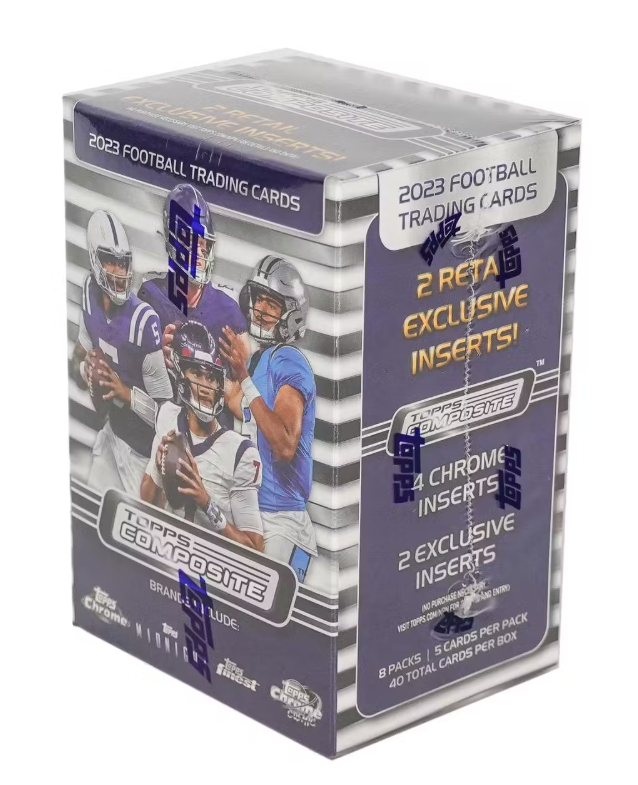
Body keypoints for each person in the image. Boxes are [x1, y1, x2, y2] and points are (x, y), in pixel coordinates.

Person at [220, 255, 317, 581]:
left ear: (291, 314)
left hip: (282, 521)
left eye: (272, 303)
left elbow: (285, 444)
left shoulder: (289, 360)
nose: (260, 309)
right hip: (253, 512)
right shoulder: (259, 361)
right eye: (258, 299)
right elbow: (237, 404)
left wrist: (243, 377)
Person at [70, 209, 172, 494]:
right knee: (91, 509)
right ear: (94, 259)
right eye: (110, 261)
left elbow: (169, 417)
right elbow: (79, 358)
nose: (119, 271)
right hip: (111, 434)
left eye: (123, 263)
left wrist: (126, 393)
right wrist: (86, 370)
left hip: (141, 454)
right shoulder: (90, 292)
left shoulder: (142, 321)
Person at [141, 320, 263, 551]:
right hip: (166, 551)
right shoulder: (168, 416)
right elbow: (146, 506)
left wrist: (207, 504)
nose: (207, 386)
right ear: (180, 375)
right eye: (197, 373)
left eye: (212, 377)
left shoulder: (241, 453)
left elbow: (255, 549)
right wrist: (158, 469)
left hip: (212, 562)